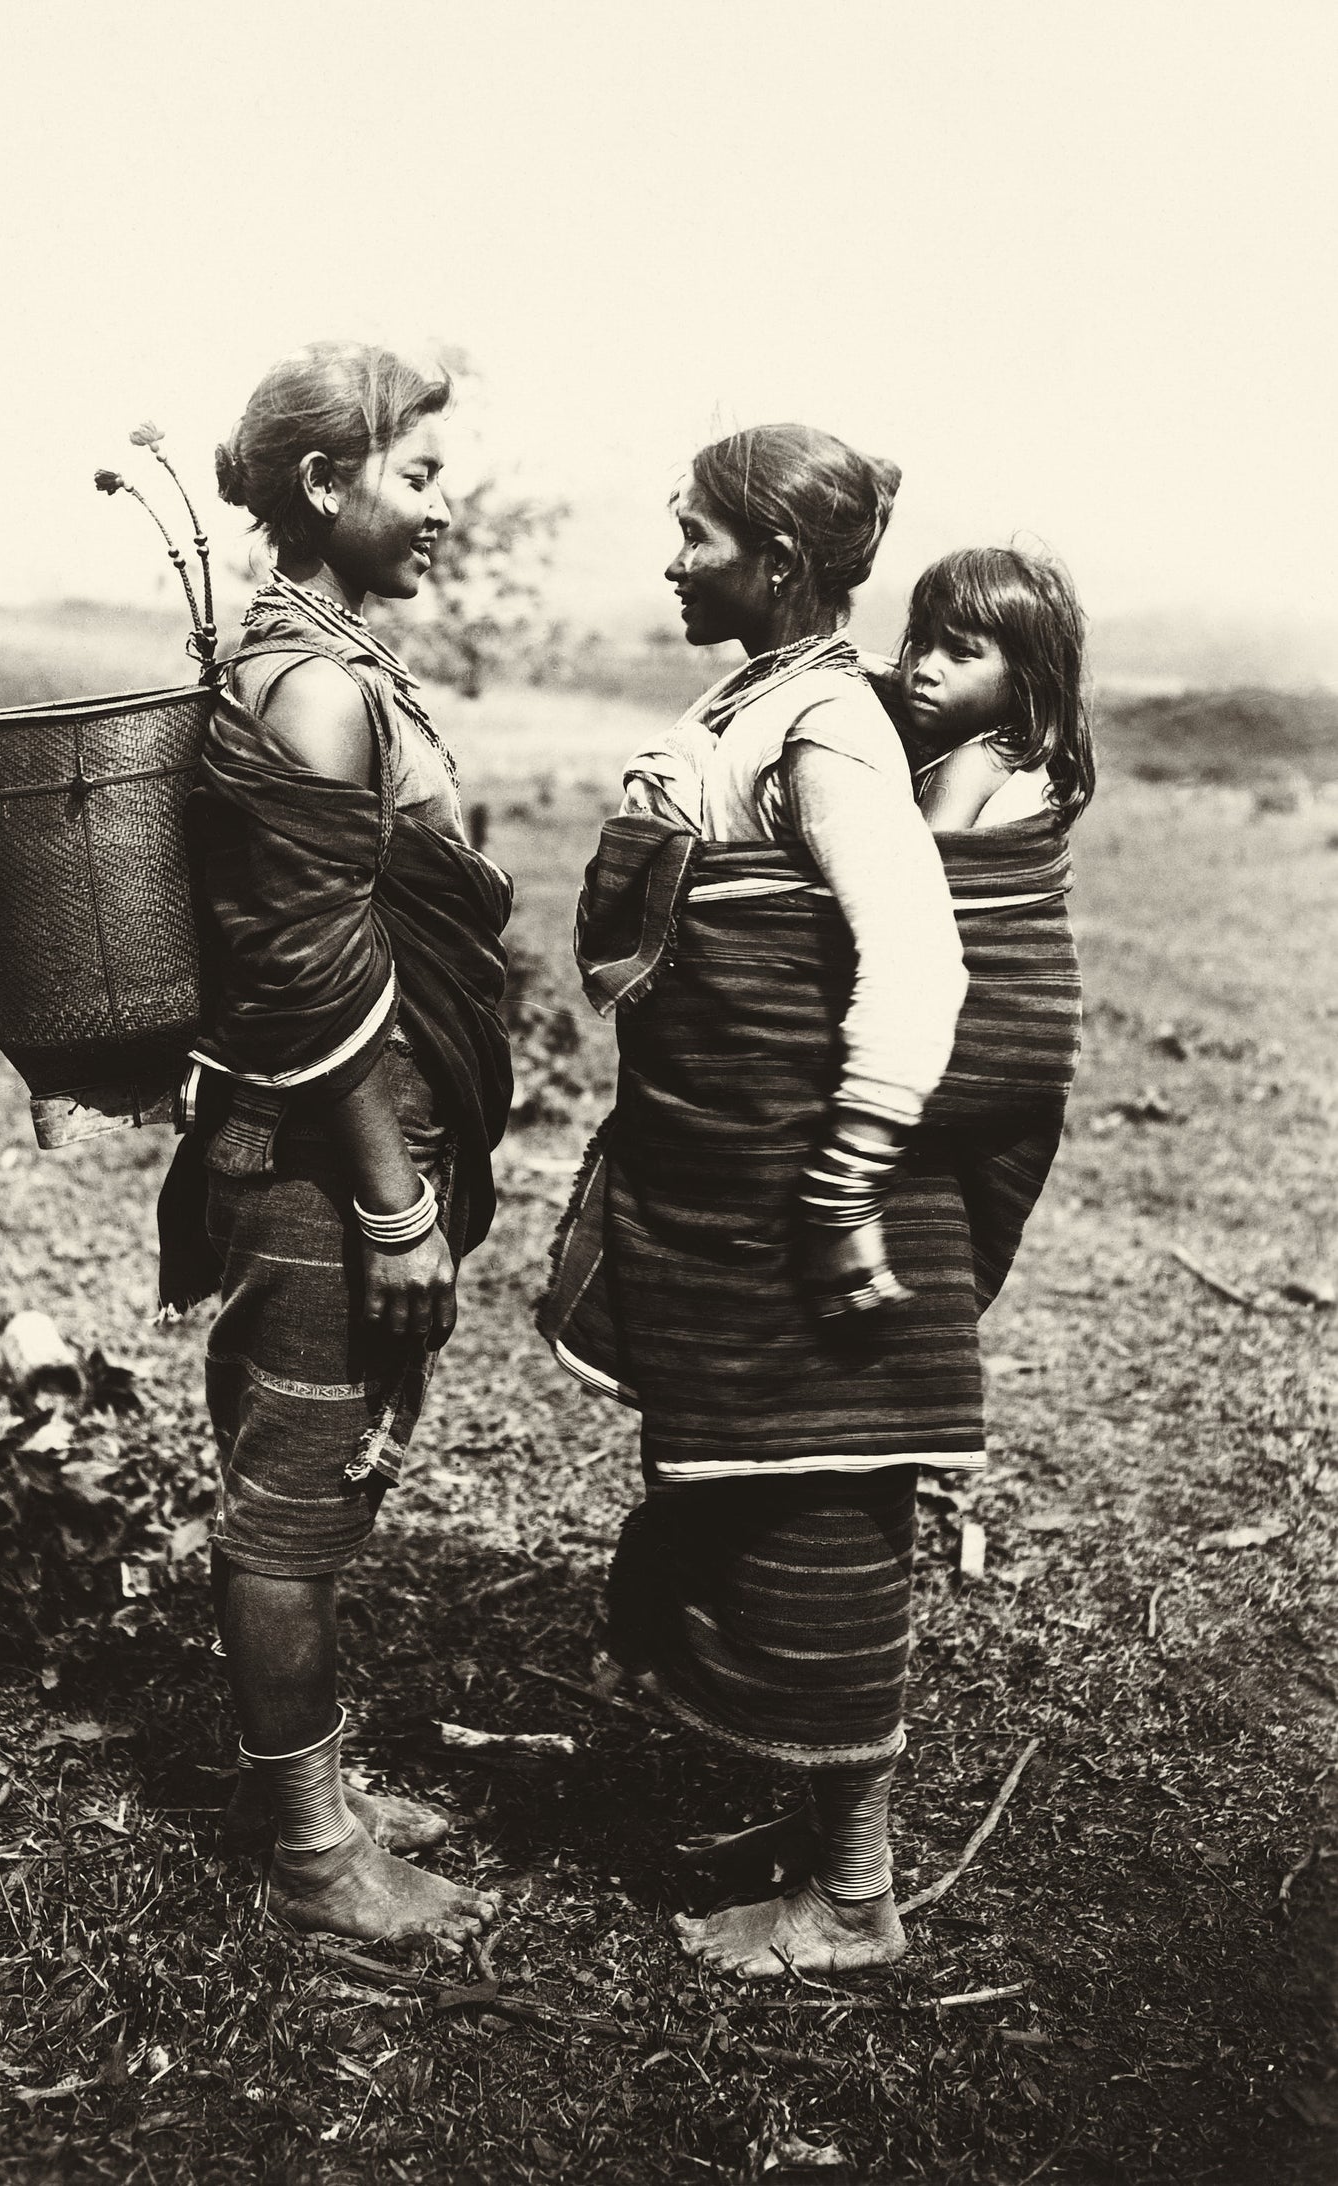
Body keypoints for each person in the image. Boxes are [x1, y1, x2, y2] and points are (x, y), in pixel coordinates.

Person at [542, 422, 979, 1979]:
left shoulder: (831, 732)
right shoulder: (750, 706)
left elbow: (918, 958)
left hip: (806, 1199)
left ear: (779, 561)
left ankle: (853, 1896)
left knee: (824, 1521)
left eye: (697, 537)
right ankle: (809, 1838)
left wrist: (853, 1174)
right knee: (756, 1500)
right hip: (726, 1191)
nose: (671, 560)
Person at [157, 341, 511, 1947]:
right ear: (325, 484)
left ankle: (301, 1786)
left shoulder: (328, 660)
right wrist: (389, 1202)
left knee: (312, 1467)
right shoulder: (310, 686)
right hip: (319, 1158)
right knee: (292, 1496)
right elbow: (311, 969)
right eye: (420, 477)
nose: (444, 508)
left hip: (330, 1148)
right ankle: (311, 1853)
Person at [895, 545, 1095, 834]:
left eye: (961, 652)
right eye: (919, 641)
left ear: (1026, 674)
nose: (924, 669)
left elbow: (919, 869)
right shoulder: (1016, 754)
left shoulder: (975, 762)